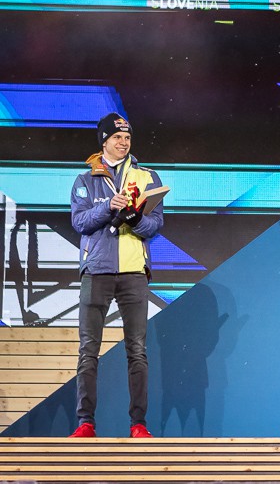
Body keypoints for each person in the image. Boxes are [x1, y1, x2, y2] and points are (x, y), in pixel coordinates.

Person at [68, 113, 164, 438]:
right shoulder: (86, 180)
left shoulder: (147, 176)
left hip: (134, 272)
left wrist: (135, 219)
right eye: (117, 137)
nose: (124, 142)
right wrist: (108, 206)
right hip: (96, 271)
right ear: (104, 141)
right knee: (88, 350)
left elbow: (155, 225)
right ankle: (85, 423)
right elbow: (79, 222)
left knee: (137, 350)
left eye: (127, 137)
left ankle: (139, 424)